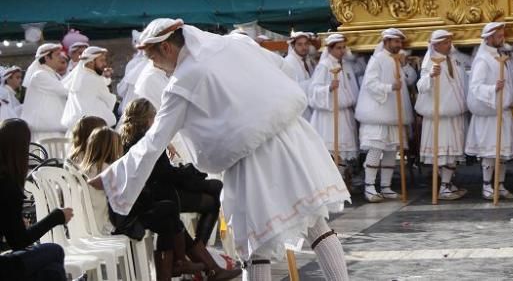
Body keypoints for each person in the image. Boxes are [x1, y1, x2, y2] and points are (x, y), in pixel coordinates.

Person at [91, 18, 351, 281]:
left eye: (152, 57)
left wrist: (112, 176)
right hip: (290, 140)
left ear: (167, 48)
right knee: (317, 226)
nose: (153, 65)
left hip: (251, 161)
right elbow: (283, 69)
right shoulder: (235, 44)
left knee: (256, 245)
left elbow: (154, 140)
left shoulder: (183, 81)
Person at [118, 99, 239, 280]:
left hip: (154, 193)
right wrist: (188, 172)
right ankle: (203, 259)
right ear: (148, 119)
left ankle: (207, 266)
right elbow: (162, 173)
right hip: (159, 194)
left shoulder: (127, 138)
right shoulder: (146, 140)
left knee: (204, 198)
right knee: (212, 197)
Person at [0, 118, 70, 281]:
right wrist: (56, 217)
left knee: (52, 271)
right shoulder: (7, 185)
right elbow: (19, 242)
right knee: (55, 251)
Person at [465, 22, 513, 200]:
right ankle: (486, 186)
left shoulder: (500, 56)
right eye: (498, 36)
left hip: (502, 111)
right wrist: (492, 89)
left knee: (502, 153)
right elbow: (475, 86)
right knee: (490, 152)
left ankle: (500, 185)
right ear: (489, 37)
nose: (502, 38)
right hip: (489, 113)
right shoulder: (483, 59)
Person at [355, 28, 413, 203]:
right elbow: (370, 84)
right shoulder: (377, 59)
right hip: (378, 114)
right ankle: (370, 186)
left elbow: (409, 80)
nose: (398, 45)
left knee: (391, 150)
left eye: (399, 42)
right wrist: (388, 88)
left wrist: (405, 65)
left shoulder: (397, 60)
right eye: (395, 41)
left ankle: (386, 186)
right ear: (387, 42)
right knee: (376, 148)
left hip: (394, 114)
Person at [415, 29, 469, 201]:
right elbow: (421, 86)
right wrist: (431, 76)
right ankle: (444, 187)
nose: (448, 45)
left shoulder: (453, 59)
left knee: (452, 151)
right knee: (444, 151)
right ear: (436, 44)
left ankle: (448, 183)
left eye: (449, 42)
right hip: (439, 115)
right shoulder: (430, 61)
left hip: (454, 113)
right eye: (445, 42)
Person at [309, 33, 361, 182]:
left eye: (344, 47)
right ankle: (332, 182)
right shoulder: (324, 66)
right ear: (330, 49)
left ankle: (341, 180)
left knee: (343, 150)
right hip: (330, 115)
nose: (342, 51)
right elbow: (313, 90)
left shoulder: (345, 64)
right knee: (332, 149)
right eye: (338, 48)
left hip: (344, 113)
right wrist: (328, 88)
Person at [21, 43, 69, 141]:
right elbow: (65, 90)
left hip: (54, 130)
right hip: (44, 133)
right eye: (57, 55)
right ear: (47, 57)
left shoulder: (53, 75)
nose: (61, 57)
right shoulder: (40, 75)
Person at [61, 45, 117, 130]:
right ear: (90, 62)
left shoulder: (81, 76)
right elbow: (109, 99)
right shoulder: (93, 79)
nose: (104, 64)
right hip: (94, 129)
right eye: (101, 60)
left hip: (79, 129)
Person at [285, 31, 318, 121]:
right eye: (300, 44)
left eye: (306, 44)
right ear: (293, 46)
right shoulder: (289, 62)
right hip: (299, 110)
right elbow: (291, 88)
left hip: (309, 105)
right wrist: (313, 82)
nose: (304, 47)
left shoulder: (308, 60)